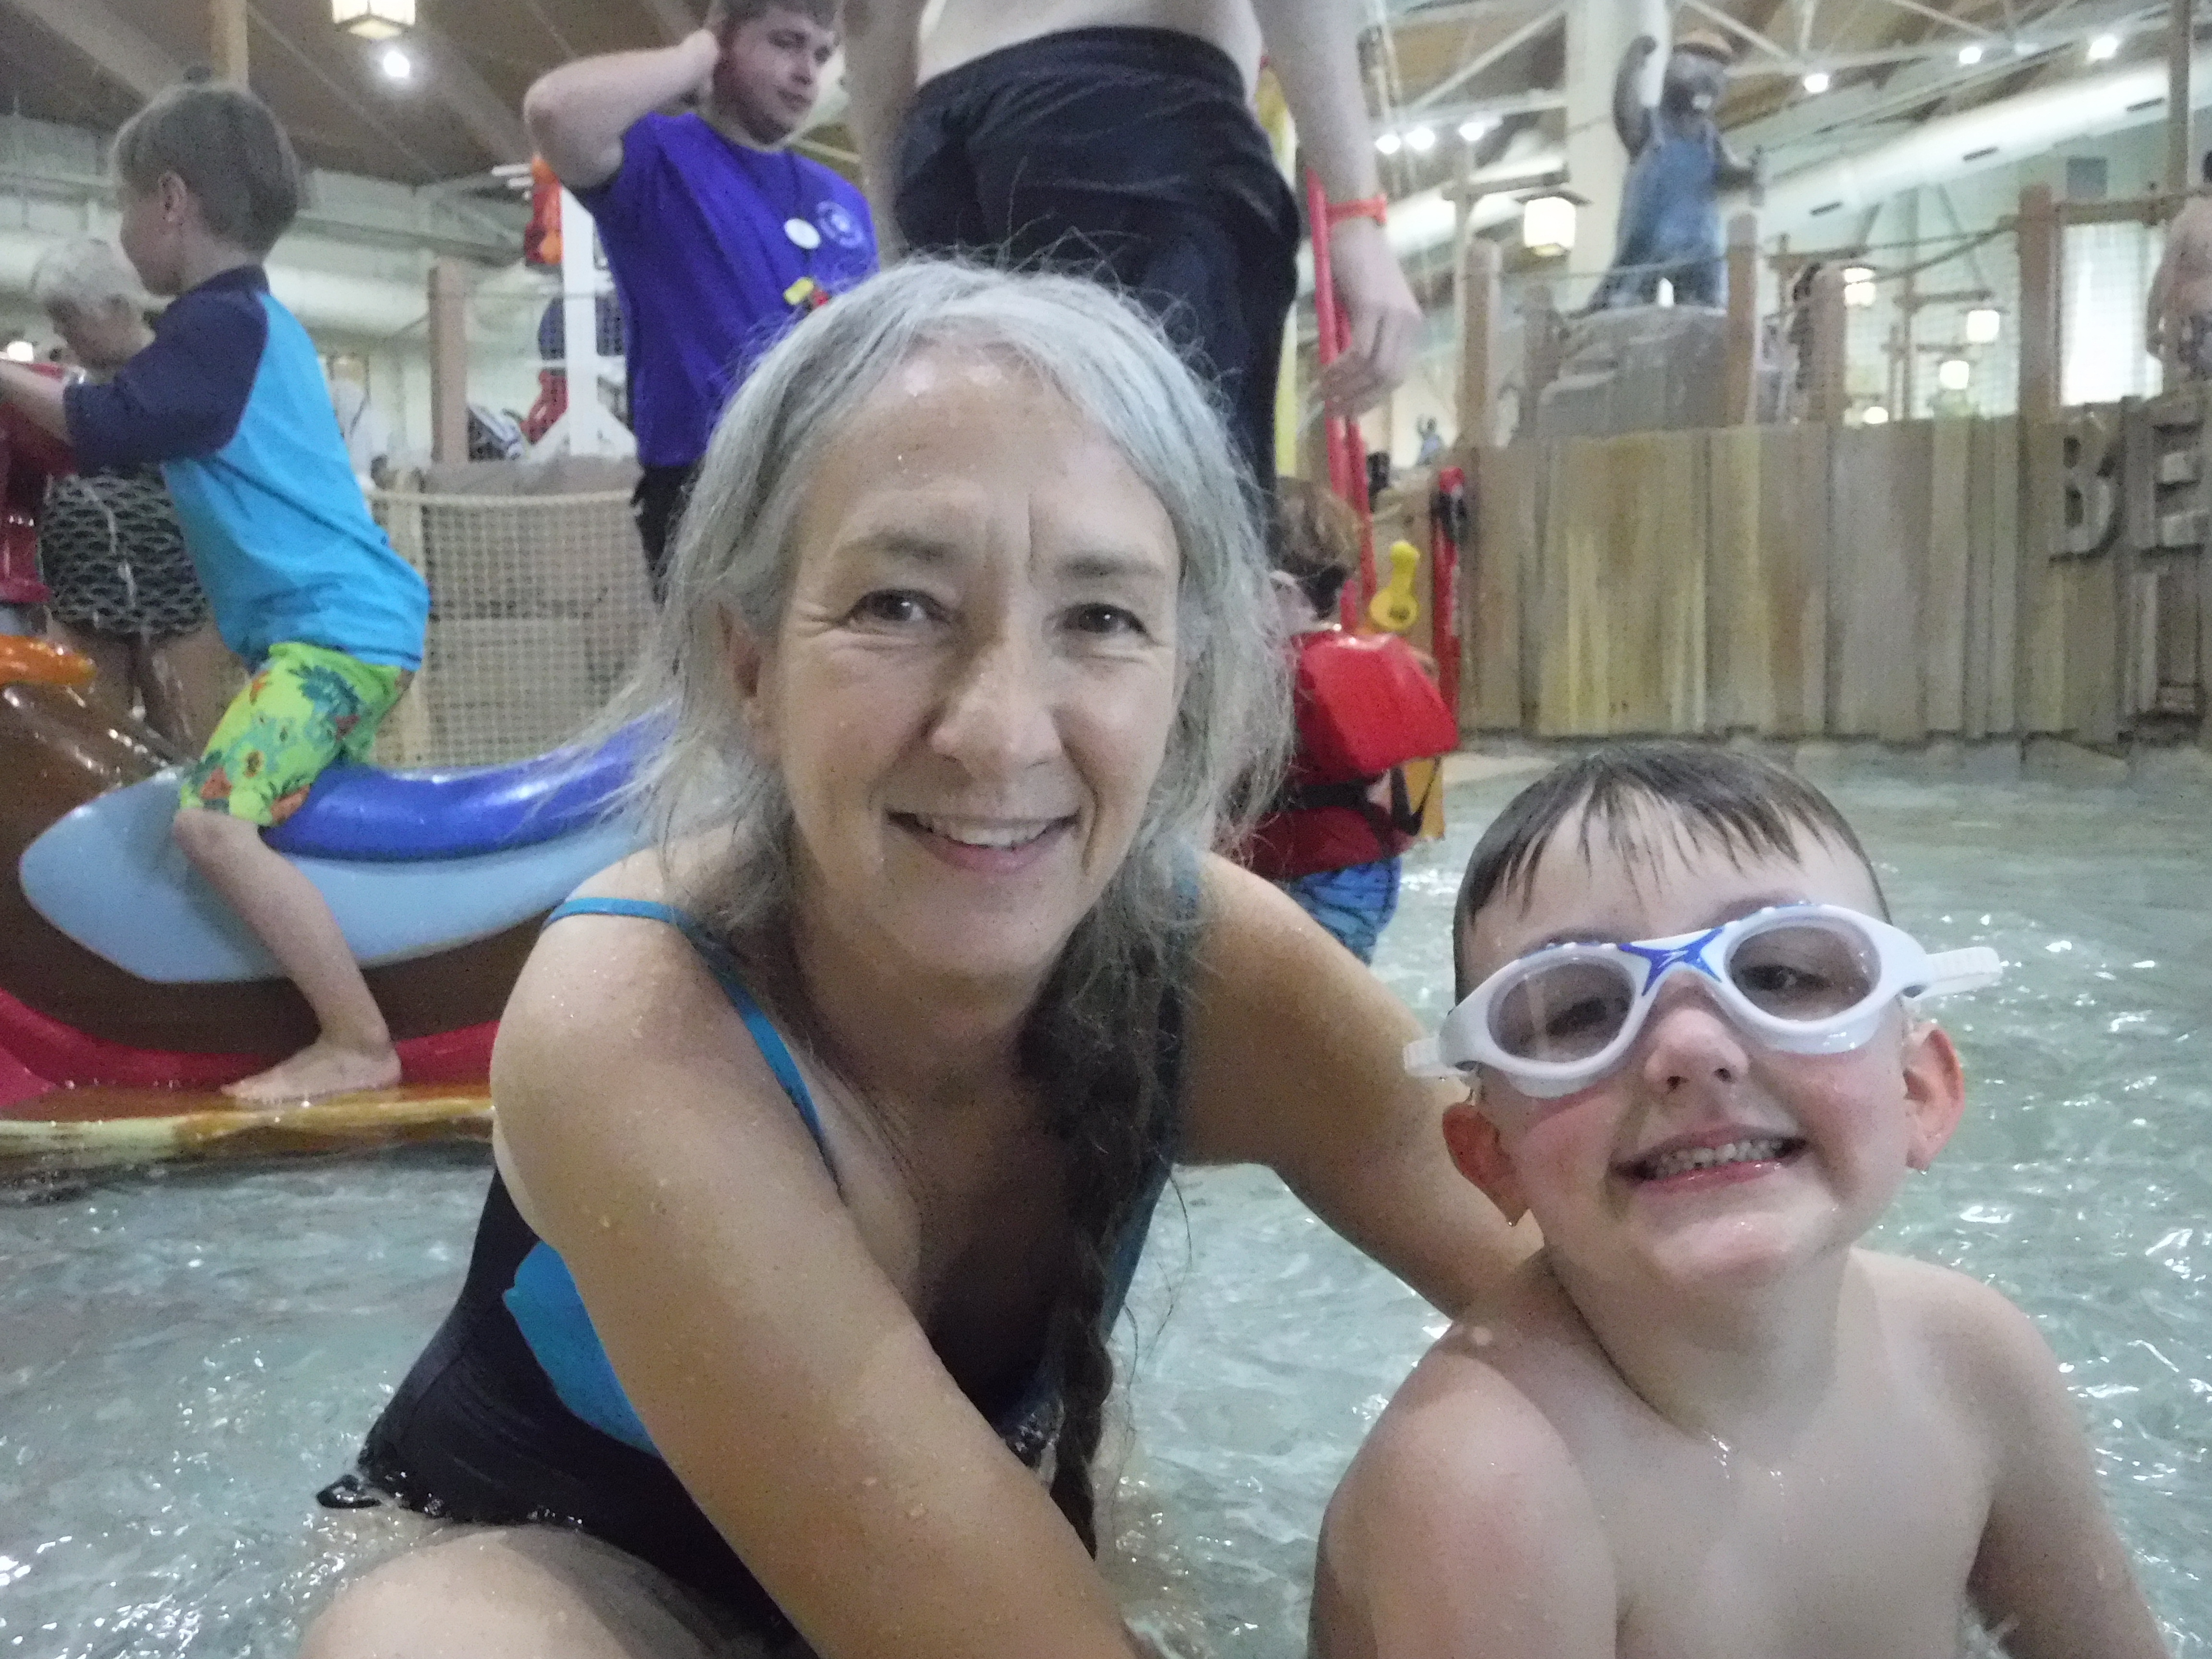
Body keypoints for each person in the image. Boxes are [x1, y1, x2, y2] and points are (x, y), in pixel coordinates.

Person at [297, 261, 1530, 1659]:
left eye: (1101, 618)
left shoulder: (1210, 966)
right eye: (898, 605)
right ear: (751, 669)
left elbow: (1626, 1281)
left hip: (979, 1537)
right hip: (564, 1578)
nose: (998, 734)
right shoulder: (635, 1018)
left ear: (1182, 681)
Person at [1311, 744, 2172, 1659]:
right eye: (1579, 1011)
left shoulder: (1975, 1364)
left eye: (1779, 976)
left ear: (1917, 1092)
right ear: (1493, 1161)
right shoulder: (1487, 1490)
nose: (1690, 1048)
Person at [0, 82, 430, 1104]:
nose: (121, 228)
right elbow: (120, 423)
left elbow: (112, 427)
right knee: (287, 827)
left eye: (124, 203)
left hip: (335, 634)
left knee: (211, 823)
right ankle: (333, 1002)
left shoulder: (219, 326)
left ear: (171, 201)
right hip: (333, 628)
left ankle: (359, 1040)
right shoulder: (240, 327)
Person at [841, 0, 1425, 487]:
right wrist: (1356, 214)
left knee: (971, 503)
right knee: (1174, 523)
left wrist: (900, 256)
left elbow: (869, 12)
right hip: (1135, 115)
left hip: (940, 132)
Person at [524, 0, 876, 597]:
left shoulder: (842, 199)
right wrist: (695, 57)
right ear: (724, 43)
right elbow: (555, 110)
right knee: (720, 662)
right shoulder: (656, 157)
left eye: (820, 54)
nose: (806, 72)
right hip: (707, 485)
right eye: (785, 43)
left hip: (836, 483)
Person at [26, 238, 240, 752]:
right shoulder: (61, 385)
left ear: (118, 307)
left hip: (180, 596)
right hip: (82, 595)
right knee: (91, 746)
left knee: (189, 746)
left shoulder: (176, 377)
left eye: (70, 316)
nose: (62, 330)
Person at [1240, 479, 1454, 964]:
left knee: (1289, 996)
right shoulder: (1374, 660)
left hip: (1310, 879)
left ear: (1278, 590)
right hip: (1369, 875)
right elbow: (1419, 798)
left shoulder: (1277, 679)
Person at [2147, 150, 2212, 379]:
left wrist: (2151, 327)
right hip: (2196, 322)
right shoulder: (2189, 220)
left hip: (2194, 321)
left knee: (2195, 390)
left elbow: (2165, 277)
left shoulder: (2188, 220)